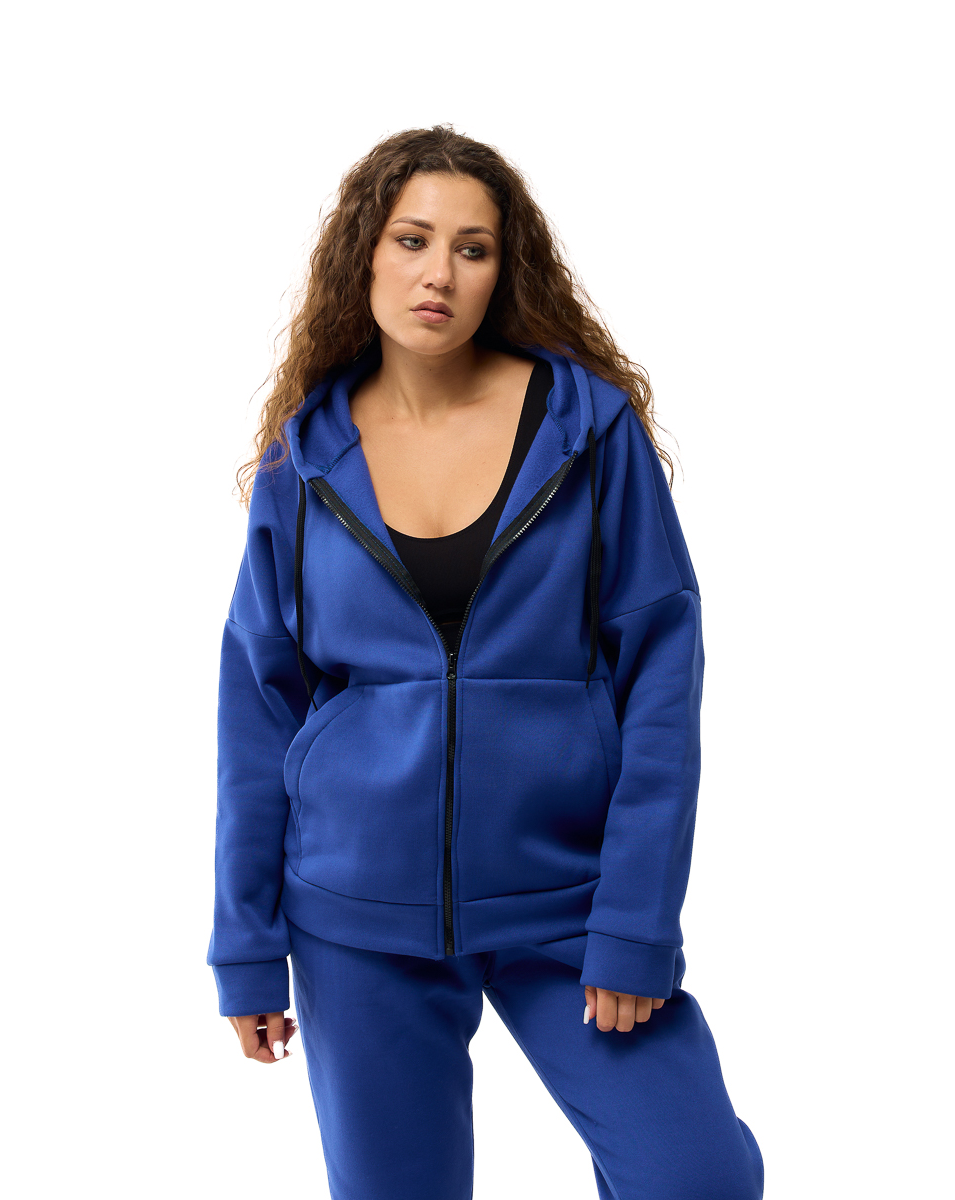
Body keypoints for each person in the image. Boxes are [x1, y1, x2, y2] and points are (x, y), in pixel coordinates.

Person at [208, 124, 764, 1200]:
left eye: (474, 249)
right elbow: (259, 707)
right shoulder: (304, 460)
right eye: (413, 240)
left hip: (568, 901)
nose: (440, 273)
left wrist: (636, 922)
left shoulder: (585, 432)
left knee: (693, 1176)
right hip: (354, 911)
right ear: (365, 254)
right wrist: (246, 941)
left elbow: (661, 677)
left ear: (504, 272)